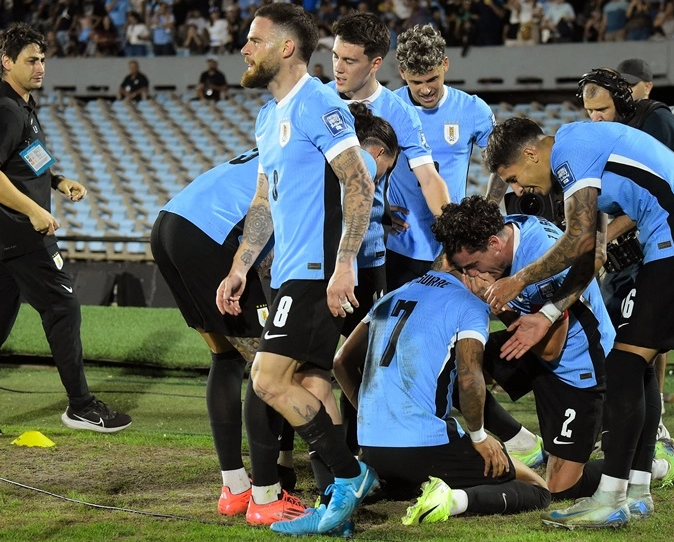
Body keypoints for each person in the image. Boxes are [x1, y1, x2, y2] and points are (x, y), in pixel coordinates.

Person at [151, 101, 400, 525]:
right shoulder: (330, 160)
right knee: (270, 370)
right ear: (373, 152)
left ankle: (235, 488)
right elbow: (273, 225)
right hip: (218, 235)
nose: (381, 180)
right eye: (386, 170)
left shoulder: (293, 139)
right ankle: (268, 496)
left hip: (172, 224)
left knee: (226, 358)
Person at [481, 117, 674, 528]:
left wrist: (519, 279)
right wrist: (546, 311)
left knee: (625, 365)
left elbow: (578, 240)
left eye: (513, 178)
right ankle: (637, 489)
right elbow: (592, 252)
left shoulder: (569, 153)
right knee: (636, 365)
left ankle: (611, 497)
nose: (516, 190)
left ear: (530, 154)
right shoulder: (581, 154)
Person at [215, 4, 378, 536]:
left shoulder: (318, 103)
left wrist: (344, 264)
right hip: (286, 270)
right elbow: (264, 201)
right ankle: (338, 502)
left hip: (316, 271)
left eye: (254, 40)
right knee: (313, 382)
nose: (244, 49)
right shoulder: (268, 115)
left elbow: (359, 181)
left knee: (266, 380)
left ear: (286, 48)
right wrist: (241, 265)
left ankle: (351, 476)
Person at [332, 253, 551, 525]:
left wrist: (368, 410)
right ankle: (452, 500)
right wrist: (479, 437)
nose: (498, 284)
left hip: (371, 444)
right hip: (425, 446)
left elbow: (341, 362)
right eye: (495, 274)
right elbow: (469, 380)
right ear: (473, 270)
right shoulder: (467, 303)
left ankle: (383, 482)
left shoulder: (393, 295)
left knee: (408, 481)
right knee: (538, 488)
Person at [430, 195, 617, 505]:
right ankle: (523, 443)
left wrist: (496, 303)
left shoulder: (540, 255)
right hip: (528, 341)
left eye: (474, 267)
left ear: (494, 244)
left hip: (576, 360)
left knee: (560, 489)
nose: (471, 276)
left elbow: (550, 349)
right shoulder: (508, 231)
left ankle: (642, 466)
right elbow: (450, 268)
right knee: (449, 371)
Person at [325, 10, 450, 458]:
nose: (337, 68)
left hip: (369, 258)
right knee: (309, 361)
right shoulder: (315, 100)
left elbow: (428, 176)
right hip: (316, 256)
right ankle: (291, 461)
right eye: (335, 56)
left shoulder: (397, 110)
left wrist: (452, 231)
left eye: (349, 59)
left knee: (364, 360)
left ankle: (361, 452)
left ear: (376, 63)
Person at [0, 22, 132, 434]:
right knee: (63, 307)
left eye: (42, 59)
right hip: (21, 234)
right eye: (30, 60)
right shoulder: (5, 109)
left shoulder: (22, 104)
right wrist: (35, 212)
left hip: (9, 239)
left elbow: (24, 160)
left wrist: (58, 181)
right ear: (7, 62)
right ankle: (81, 406)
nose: (40, 67)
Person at [584, 61, 674, 447]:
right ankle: (627, 416)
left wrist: (600, 240)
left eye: (631, 87)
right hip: (630, 240)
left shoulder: (656, 121)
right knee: (624, 329)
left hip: (657, 239)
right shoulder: (618, 128)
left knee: (643, 332)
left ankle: (651, 421)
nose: (597, 116)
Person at [387, 23, 501, 291]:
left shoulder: (472, 109)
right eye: (416, 82)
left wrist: (488, 207)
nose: (426, 89)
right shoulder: (389, 109)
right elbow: (362, 165)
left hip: (456, 248)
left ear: (445, 65)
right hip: (400, 244)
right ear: (402, 73)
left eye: (432, 79)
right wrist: (378, 208)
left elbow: (503, 161)